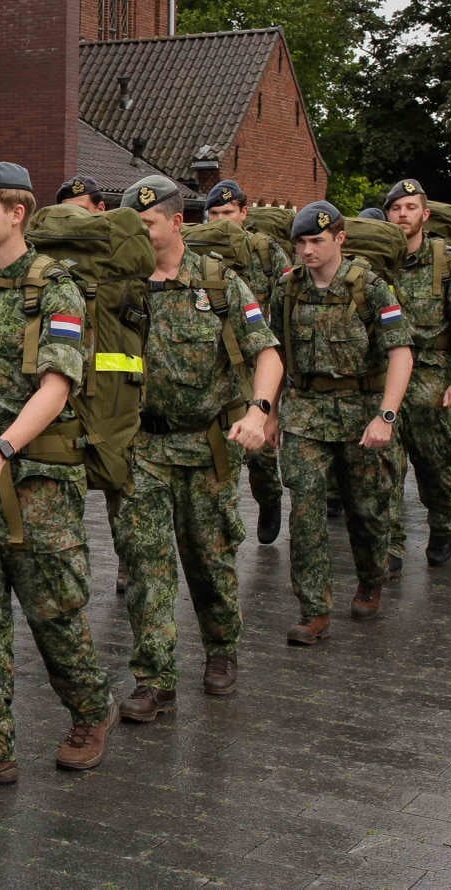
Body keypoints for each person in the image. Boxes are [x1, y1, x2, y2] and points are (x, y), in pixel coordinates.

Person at [0, 160, 116, 792]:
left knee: (54, 611)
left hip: (40, 478)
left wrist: (1, 449)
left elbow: (58, 386)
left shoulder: (55, 287)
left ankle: (90, 711)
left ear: (17, 213)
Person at [114, 174, 281, 711]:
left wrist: (259, 411)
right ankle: (154, 677)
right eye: (132, 228)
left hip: (208, 448)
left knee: (210, 561)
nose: (140, 236)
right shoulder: (122, 288)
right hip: (143, 448)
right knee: (146, 562)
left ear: (177, 223)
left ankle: (221, 648)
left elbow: (268, 353)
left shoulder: (218, 283)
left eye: (148, 226)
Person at [276, 201, 414, 643]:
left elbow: (401, 353)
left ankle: (371, 579)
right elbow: (275, 354)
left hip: (362, 413)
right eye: (300, 242)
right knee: (305, 514)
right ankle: (314, 609)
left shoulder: (372, 289)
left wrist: (386, 416)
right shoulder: (288, 290)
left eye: (316, 240)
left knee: (368, 511)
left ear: (340, 238)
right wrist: (269, 410)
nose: (307, 251)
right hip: (305, 413)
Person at [383, 180, 451, 567]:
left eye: (409, 207)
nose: (402, 214)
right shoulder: (376, 261)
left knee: (435, 465)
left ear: (425, 214)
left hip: (430, 376)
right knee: (384, 464)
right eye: (395, 208)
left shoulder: (447, 262)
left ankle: (442, 522)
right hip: (387, 375)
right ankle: (390, 545)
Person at [202, 179, 295, 545]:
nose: (222, 221)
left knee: (258, 454)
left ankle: (269, 498)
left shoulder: (265, 251)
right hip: (215, 360)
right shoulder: (201, 252)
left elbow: (288, 301)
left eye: (228, 213)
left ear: (244, 213)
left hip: (257, 357)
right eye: (215, 214)